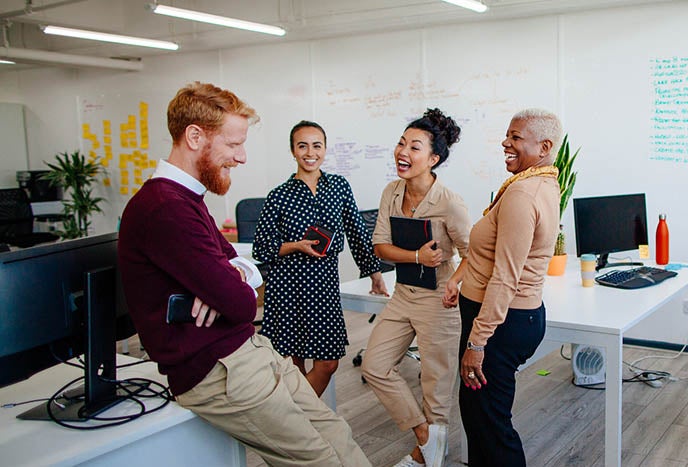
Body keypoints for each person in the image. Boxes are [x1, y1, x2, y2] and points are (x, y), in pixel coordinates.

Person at [118, 82, 371, 467]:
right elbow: (240, 302)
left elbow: (243, 265)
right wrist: (230, 282)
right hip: (218, 371)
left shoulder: (188, 199)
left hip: (248, 352)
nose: (242, 158)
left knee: (337, 432)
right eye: (233, 145)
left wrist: (230, 273)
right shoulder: (164, 207)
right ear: (195, 136)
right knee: (320, 458)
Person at [445, 108, 562, 467]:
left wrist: (477, 343)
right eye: (507, 135)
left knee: (492, 426)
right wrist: (458, 277)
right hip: (511, 319)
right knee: (479, 416)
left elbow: (506, 276)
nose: (505, 143)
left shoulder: (521, 195)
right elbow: (492, 249)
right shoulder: (543, 182)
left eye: (515, 138)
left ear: (543, 146)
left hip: (498, 323)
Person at [361, 108, 471, 467]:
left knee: (435, 386)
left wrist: (454, 281)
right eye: (401, 143)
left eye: (415, 147)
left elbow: (474, 256)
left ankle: (426, 457)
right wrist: (416, 257)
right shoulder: (391, 191)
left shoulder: (450, 203)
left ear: (434, 158)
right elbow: (380, 246)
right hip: (403, 295)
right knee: (374, 366)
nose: (403, 152)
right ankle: (425, 435)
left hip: (438, 300)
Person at [252, 120, 388, 397]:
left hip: (324, 284)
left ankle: (296, 419)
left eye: (317, 145)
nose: (310, 152)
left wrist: (373, 273)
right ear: (293, 151)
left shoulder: (338, 186)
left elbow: (356, 231)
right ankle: (303, 427)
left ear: (325, 149)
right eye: (302, 146)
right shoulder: (279, 196)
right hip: (287, 286)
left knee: (328, 362)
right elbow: (261, 249)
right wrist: (295, 246)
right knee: (293, 364)